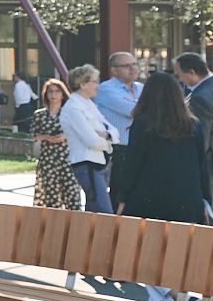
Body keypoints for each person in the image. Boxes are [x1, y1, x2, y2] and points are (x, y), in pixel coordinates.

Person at [113, 73, 213, 301]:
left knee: (145, 251)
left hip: (148, 197)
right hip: (186, 197)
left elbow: (133, 163)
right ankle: (172, 296)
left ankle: (171, 295)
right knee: (176, 251)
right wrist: (204, 199)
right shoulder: (193, 125)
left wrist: (123, 196)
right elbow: (201, 165)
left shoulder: (143, 124)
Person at [173, 53, 213, 220]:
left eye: (180, 75)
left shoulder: (199, 97)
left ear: (192, 72)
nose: (180, 80)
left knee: (206, 211)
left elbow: (201, 138)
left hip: (210, 162)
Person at [60, 65, 118, 214]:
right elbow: (92, 141)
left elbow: (114, 131)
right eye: (95, 81)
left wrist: (107, 136)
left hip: (101, 162)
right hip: (87, 164)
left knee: (93, 211)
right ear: (83, 84)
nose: (97, 85)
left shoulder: (89, 104)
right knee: (104, 211)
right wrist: (107, 138)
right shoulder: (73, 107)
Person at [29, 77, 79, 208]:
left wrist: (65, 136)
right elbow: (34, 135)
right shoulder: (39, 114)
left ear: (63, 94)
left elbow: (79, 131)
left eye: (57, 91)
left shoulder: (69, 113)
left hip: (67, 158)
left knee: (71, 193)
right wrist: (45, 137)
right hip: (48, 159)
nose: (53, 94)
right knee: (51, 195)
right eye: (50, 91)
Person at [96, 52, 143, 148]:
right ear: (114, 70)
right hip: (117, 147)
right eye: (126, 65)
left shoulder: (141, 87)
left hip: (139, 145)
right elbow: (133, 111)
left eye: (134, 64)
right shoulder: (105, 89)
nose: (133, 68)